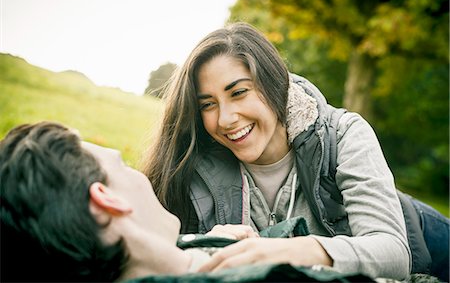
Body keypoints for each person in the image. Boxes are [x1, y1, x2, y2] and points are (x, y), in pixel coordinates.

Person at [142, 22, 449, 281]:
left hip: (426, 238)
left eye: (239, 92)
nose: (225, 119)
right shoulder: (194, 167)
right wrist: (211, 244)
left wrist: (283, 251)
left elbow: (393, 253)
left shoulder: (343, 134)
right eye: (208, 104)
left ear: (275, 84)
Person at [1, 122, 376, 283]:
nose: (141, 178)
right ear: (106, 199)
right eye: (124, 166)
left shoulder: (142, 262)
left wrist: (202, 243)